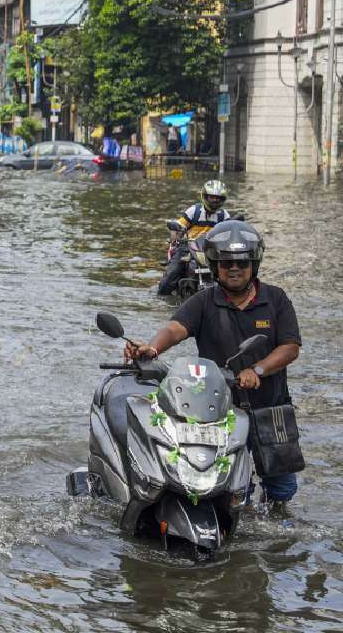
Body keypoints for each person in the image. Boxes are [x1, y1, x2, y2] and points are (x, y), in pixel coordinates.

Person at [125, 220, 301, 513]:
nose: (234, 268)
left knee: (282, 490)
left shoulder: (276, 299)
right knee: (226, 486)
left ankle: (275, 530)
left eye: (241, 263)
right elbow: (176, 327)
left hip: (270, 406)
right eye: (226, 262)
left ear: (253, 264)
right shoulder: (205, 300)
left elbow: (290, 346)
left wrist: (257, 370)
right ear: (216, 265)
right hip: (219, 412)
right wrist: (152, 348)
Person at [158, 179, 231, 295]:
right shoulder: (194, 211)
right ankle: (162, 297)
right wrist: (175, 237)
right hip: (188, 248)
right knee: (168, 281)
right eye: (212, 197)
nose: (215, 200)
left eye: (218, 198)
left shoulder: (224, 215)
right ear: (205, 196)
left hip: (212, 250)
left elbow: (229, 232)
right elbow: (178, 226)